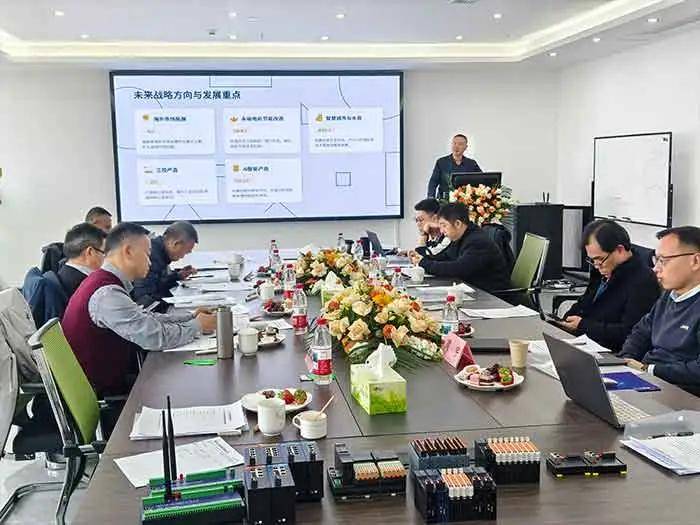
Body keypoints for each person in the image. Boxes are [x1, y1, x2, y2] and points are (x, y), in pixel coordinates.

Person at [62, 222, 216, 397]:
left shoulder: (106, 282)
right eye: (147, 255)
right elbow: (154, 337)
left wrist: (190, 317)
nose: (150, 262)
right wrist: (197, 326)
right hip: (104, 390)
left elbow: (144, 317)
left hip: (116, 376)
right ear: (128, 251)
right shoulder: (107, 294)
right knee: (194, 386)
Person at [555, 220, 659, 351]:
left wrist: (583, 325)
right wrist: (567, 319)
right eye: (592, 260)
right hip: (584, 341)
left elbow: (630, 333)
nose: (596, 265)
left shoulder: (643, 281)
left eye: (600, 259)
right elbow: (585, 303)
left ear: (620, 250)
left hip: (610, 351)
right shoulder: (602, 270)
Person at [620, 226, 700, 395]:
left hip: (681, 394)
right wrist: (625, 360)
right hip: (649, 381)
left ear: (696, 261)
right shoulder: (669, 295)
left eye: (663, 261)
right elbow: (641, 332)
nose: (655, 268)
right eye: (655, 260)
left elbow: (697, 371)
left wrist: (649, 369)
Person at [409, 202, 510, 292]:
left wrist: (424, 263)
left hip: (492, 297)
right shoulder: (460, 237)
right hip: (474, 290)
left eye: (444, 225)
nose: (442, 231)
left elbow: (458, 269)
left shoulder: (477, 241)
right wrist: (421, 258)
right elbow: (443, 258)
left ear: (457, 223)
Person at [132, 221, 199, 310]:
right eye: (186, 251)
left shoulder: (159, 252)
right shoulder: (151, 255)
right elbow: (143, 299)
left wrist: (177, 276)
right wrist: (176, 309)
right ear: (176, 244)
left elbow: (158, 283)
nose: (183, 256)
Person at [57, 223, 107, 296]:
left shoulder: (62, 274)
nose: (106, 258)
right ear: (90, 252)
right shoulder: (90, 286)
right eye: (104, 253)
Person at [427, 134, 482, 199]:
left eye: (460, 144)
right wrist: (430, 198)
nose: (456, 146)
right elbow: (433, 182)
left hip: (464, 200)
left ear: (465, 147)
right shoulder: (441, 162)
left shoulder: (472, 163)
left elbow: (482, 180)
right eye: (454, 143)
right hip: (444, 200)